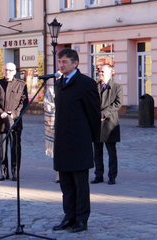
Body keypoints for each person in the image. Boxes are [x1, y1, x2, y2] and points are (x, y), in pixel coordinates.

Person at [52, 48, 100, 233]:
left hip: (79, 141)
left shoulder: (86, 83)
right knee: (66, 183)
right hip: (62, 141)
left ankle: (81, 219)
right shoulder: (58, 84)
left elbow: (93, 114)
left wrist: (92, 138)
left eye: (64, 62)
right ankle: (69, 216)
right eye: (59, 61)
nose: (61, 65)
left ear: (75, 63)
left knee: (80, 184)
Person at [0, 62, 28, 181]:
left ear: (15, 72)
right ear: (3, 70)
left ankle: (15, 173)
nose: (8, 72)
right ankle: (4, 173)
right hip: (0, 122)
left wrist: (15, 114)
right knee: (2, 149)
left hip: (15, 122)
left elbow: (24, 102)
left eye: (10, 70)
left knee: (15, 148)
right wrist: (0, 112)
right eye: (6, 70)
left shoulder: (21, 85)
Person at [90, 64, 123, 185]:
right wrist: (96, 114)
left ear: (110, 73)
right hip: (97, 123)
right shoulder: (95, 86)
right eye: (99, 72)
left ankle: (112, 176)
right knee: (97, 152)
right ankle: (98, 175)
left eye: (103, 72)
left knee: (111, 152)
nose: (100, 74)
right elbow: (91, 101)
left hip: (110, 123)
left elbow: (118, 103)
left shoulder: (116, 87)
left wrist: (105, 113)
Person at [44, 84, 59, 183]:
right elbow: (48, 106)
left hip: (69, 124)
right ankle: (59, 173)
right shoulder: (51, 90)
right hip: (54, 124)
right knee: (57, 149)